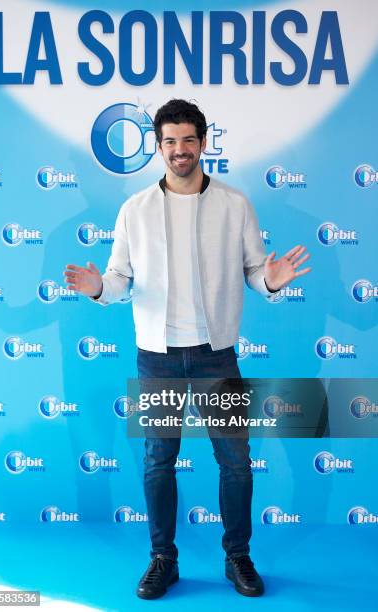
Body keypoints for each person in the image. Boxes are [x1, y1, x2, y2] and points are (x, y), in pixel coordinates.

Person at [64, 99, 311, 599]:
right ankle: (162, 559)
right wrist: (97, 287)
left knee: (236, 462)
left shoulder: (234, 204)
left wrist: (272, 278)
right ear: (158, 147)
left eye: (188, 140)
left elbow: (255, 272)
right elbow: (119, 280)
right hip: (156, 356)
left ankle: (238, 557)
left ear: (203, 143)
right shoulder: (134, 210)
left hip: (215, 354)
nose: (180, 150)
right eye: (170, 142)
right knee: (158, 460)